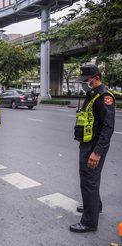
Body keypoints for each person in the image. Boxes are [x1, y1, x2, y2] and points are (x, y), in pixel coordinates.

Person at [70, 64, 115, 233]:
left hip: (94, 146)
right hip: (87, 142)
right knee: (91, 179)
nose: (85, 83)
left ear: (96, 77)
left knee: (89, 181)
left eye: (87, 79)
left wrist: (97, 152)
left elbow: (108, 127)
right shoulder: (93, 94)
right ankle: (95, 206)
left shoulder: (104, 96)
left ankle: (89, 222)